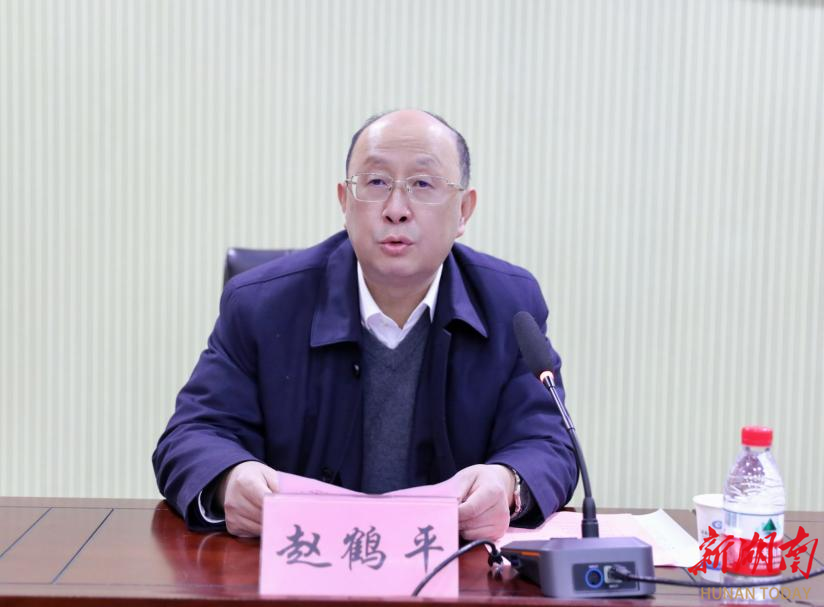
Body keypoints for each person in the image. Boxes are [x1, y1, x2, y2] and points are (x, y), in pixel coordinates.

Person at [153, 109, 577, 539]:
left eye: (423, 184)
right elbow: (193, 435)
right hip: (301, 565)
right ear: (345, 201)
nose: (396, 210)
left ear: (463, 210)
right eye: (375, 182)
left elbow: (548, 443)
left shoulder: (509, 305)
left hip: (451, 565)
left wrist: (508, 480)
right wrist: (230, 476)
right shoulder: (261, 305)